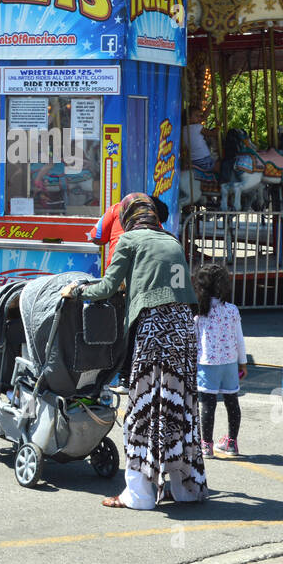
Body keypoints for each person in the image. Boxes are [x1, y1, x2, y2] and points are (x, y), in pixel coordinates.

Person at [63, 193, 206, 510]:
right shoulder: (171, 241)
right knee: (177, 406)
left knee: (144, 410)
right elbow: (171, 283)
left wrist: (77, 290)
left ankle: (140, 495)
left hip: (154, 329)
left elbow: (107, 287)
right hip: (184, 328)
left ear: (128, 217)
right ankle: (186, 488)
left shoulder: (129, 241)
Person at [193, 264, 248, 459]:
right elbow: (239, 339)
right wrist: (243, 362)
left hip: (207, 364)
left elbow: (193, 340)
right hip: (230, 363)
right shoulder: (232, 310)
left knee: (207, 405)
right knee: (232, 402)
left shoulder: (198, 313)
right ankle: (231, 442)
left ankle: (206, 445)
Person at [182, 106, 216, 174]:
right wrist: (218, 127)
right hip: (204, 159)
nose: (199, 118)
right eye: (197, 116)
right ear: (188, 118)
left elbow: (204, 117)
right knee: (219, 165)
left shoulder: (183, 129)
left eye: (199, 116)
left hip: (193, 160)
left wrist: (211, 103)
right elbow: (212, 134)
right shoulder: (197, 127)